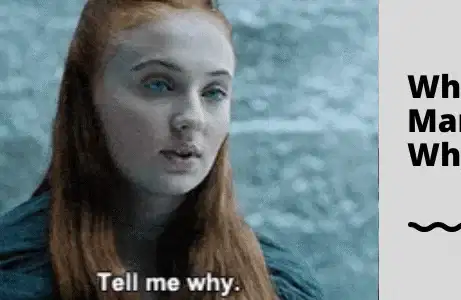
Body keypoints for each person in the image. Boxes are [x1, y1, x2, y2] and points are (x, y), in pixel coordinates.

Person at [0, 0, 324, 299]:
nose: (192, 118)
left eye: (213, 92)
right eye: (158, 85)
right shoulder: (14, 275)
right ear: (87, 98)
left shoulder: (278, 285)